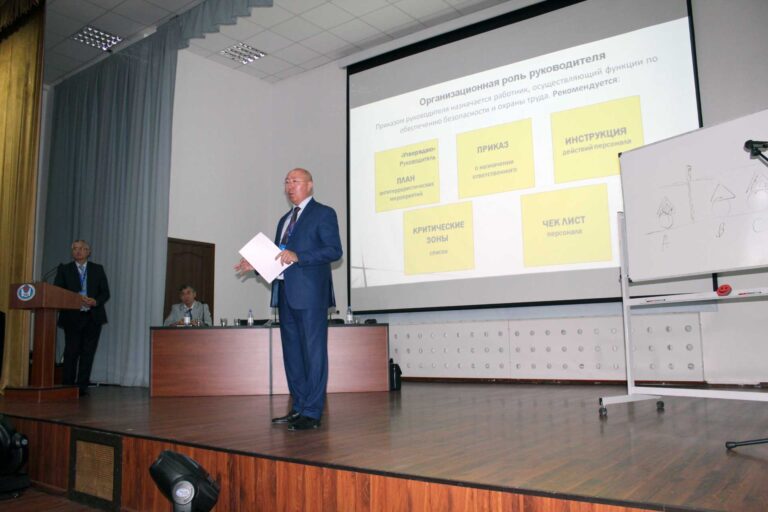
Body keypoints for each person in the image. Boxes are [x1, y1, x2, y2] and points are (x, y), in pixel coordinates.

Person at [235, 168, 342, 431]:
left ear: (310, 185)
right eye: (286, 182)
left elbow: (334, 250)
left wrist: (299, 256)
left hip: (311, 296)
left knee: (313, 353)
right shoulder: (284, 220)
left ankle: (313, 412)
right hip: (285, 294)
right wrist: (256, 265)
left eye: (295, 181)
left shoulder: (324, 213)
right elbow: (277, 258)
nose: (289, 186)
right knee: (293, 355)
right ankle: (299, 407)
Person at [54, 240, 110, 396]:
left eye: (82, 249)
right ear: (72, 252)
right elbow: (58, 291)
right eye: (75, 249)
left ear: (88, 252)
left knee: (88, 353)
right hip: (72, 316)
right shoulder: (64, 269)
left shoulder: (97, 269)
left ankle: (82, 386)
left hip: (92, 316)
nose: (78, 251)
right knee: (71, 352)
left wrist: (95, 301)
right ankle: (67, 386)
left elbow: (105, 292)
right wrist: (74, 299)